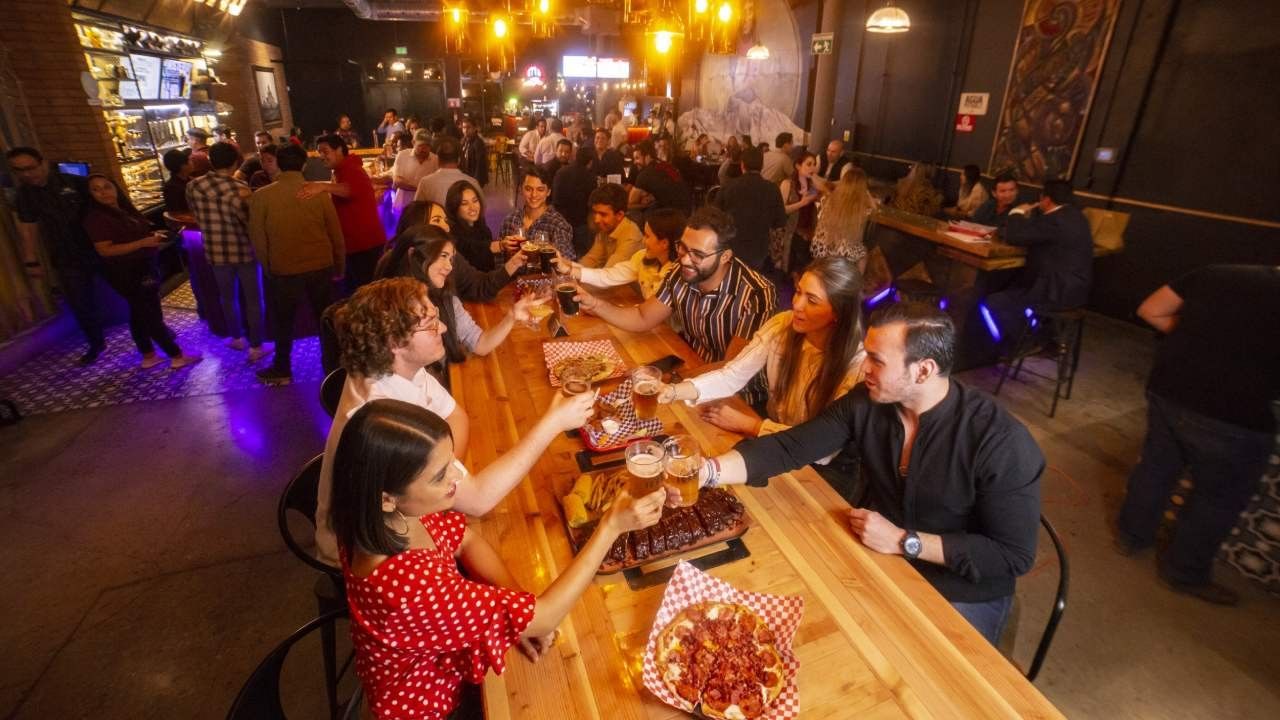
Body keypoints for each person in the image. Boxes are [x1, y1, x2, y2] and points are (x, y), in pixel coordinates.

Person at [694, 302, 1044, 645]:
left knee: (927, 684)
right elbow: (791, 447)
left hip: (961, 586)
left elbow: (1012, 555)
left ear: (922, 370)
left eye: (877, 360)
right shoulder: (869, 401)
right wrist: (704, 472)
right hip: (883, 555)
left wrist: (904, 540)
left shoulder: (1000, 441)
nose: (865, 370)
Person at [330, 398, 664, 719]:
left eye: (450, 465)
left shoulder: (384, 516)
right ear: (387, 498)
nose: (457, 478)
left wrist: (513, 611)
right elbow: (546, 617)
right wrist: (609, 527)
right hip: (433, 707)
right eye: (439, 476)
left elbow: (465, 539)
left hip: (436, 662)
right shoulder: (409, 590)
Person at [315, 275, 600, 563]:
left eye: (436, 316)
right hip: (376, 554)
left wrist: (442, 474)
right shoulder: (385, 412)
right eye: (429, 324)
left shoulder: (397, 367)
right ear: (394, 342)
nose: (443, 327)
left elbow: (457, 416)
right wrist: (552, 423)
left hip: (413, 512)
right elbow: (478, 501)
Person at [1115, 265, 1280, 605]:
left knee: (1155, 470)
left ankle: (1131, 537)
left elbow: (1150, 310)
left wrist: (1199, 339)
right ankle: (1184, 572)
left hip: (1169, 389)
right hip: (1234, 413)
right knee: (1218, 498)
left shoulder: (1218, 273)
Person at [658, 256, 865, 461]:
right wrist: (672, 391)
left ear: (838, 312)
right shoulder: (783, 325)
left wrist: (752, 425)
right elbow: (732, 375)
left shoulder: (857, 365)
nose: (797, 305)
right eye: (798, 292)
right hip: (774, 437)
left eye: (811, 300)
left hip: (826, 468)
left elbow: (822, 449)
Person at [573, 206, 777, 405]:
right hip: (689, 367)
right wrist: (595, 304)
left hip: (738, 396)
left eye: (698, 254)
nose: (686, 259)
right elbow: (643, 317)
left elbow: (731, 369)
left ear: (724, 256)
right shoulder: (681, 271)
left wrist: (671, 381)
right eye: (683, 247)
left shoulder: (756, 294)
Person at [81, 174, 203, 369]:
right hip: (128, 270)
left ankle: (148, 355)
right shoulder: (97, 218)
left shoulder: (120, 210)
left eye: (107, 186)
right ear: (89, 194)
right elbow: (105, 249)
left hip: (140, 266)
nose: (103, 192)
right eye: (96, 189)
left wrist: (151, 237)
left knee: (138, 312)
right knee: (150, 313)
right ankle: (177, 355)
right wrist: (143, 242)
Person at [249, 144, 345, 384]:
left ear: (278, 164)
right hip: (320, 266)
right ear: (303, 164)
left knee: (284, 322)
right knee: (325, 318)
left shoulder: (262, 196)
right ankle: (332, 368)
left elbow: (258, 240)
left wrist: (268, 267)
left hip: (284, 269)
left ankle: (282, 369)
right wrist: (339, 266)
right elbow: (336, 235)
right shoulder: (319, 193)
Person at [8, 146, 105, 363]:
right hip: (65, 255)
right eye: (19, 170)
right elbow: (28, 228)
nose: (26, 174)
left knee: (130, 291)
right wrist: (31, 260)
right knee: (80, 303)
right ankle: (96, 344)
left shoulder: (73, 182)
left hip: (100, 248)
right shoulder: (25, 195)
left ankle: (154, 332)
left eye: (30, 168)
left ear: (42, 162)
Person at [185, 142, 270, 363]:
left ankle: (236, 337)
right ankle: (256, 346)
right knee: (253, 299)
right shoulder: (240, 189)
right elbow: (249, 222)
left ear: (211, 160)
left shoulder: (193, 186)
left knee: (227, 298)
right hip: (244, 251)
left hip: (214, 251)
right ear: (235, 161)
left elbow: (195, 214)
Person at [983, 180, 1093, 341]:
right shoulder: (1077, 216)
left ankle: (1024, 342)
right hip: (1076, 290)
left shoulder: (1054, 220)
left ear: (1046, 199)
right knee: (1013, 288)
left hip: (1055, 292)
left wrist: (1016, 212)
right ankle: (1035, 335)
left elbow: (1015, 237)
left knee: (994, 302)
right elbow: (1032, 230)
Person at [300, 133, 387, 293]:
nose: (321, 156)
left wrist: (322, 187)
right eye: (319, 152)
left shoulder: (351, 168)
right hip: (356, 244)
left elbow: (349, 189)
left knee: (369, 292)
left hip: (364, 244)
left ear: (339, 149)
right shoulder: (340, 171)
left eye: (325, 151)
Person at [392, 201, 523, 302]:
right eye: (437, 220)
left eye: (445, 221)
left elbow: (479, 285)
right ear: (416, 227)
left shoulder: (452, 256)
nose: (446, 227)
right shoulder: (396, 274)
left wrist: (514, 263)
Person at [558, 207, 682, 300]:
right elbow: (609, 275)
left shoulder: (677, 272)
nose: (643, 240)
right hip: (650, 324)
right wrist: (568, 267)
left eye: (647, 236)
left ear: (664, 243)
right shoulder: (641, 257)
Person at [710, 146, 787, 273]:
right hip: (759, 250)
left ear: (742, 165)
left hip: (731, 247)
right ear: (762, 166)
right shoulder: (772, 189)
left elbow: (714, 217)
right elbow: (779, 223)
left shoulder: (728, 186)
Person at [497, 167, 576, 260]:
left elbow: (567, 258)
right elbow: (499, 260)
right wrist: (502, 247)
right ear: (521, 189)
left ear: (548, 192)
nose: (534, 195)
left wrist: (550, 252)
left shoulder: (558, 224)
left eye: (540, 189)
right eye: (528, 189)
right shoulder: (510, 220)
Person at [811, 167, 877, 271]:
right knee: (863, 254)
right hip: (841, 255)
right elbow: (875, 208)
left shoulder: (827, 199)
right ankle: (854, 284)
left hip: (819, 249)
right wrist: (867, 192)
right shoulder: (862, 210)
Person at [575, 183, 644, 269]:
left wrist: (574, 272)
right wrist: (570, 270)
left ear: (619, 215)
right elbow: (592, 259)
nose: (596, 220)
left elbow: (609, 275)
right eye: (595, 212)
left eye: (603, 214)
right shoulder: (606, 229)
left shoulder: (631, 239)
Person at [776, 151, 821, 274]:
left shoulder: (812, 185)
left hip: (808, 229)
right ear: (798, 166)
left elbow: (827, 191)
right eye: (809, 164)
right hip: (791, 230)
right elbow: (781, 210)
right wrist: (802, 203)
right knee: (801, 249)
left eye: (814, 164)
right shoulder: (788, 184)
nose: (812, 167)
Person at [412, 136, 481, 209]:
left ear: (438, 160)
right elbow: (481, 208)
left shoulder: (425, 183)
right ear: (459, 160)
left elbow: (417, 209)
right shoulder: (472, 182)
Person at [628, 139, 692, 214]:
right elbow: (667, 187)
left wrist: (645, 205)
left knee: (637, 214)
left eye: (637, 158)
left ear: (647, 156)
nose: (635, 162)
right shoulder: (665, 165)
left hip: (673, 214)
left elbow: (630, 204)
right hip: (687, 208)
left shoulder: (644, 175)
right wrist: (652, 197)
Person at [444, 181, 496, 271]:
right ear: (454, 207)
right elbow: (471, 248)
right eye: (464, 204)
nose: (472, 207)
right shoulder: (452, 235)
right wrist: (500, 246)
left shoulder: (484, 229)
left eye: (475, 201)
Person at [389, 129, 438, 214]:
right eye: (420, 145)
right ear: (413, 142)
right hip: (403, 206)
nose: (424, 149)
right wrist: (421, 188)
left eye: (427, 146)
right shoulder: (402, 155)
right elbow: (397, 181)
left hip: (425, 208)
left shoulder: (435, 159)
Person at [552, 146, 597, 234]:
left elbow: (555, 196)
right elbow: (591, 200)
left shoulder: (561, 171)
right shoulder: (590, 177)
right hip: (580, 220)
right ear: (590, 162)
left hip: (560, 217)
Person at [457, 115, 489, 187]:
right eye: (464, 127)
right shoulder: (463, 140)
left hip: (474, 178)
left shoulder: (478, 143)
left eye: (468, 127)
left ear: (475, 128)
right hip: (465, 177)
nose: (465, 130)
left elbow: (480, 164)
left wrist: (475, 182)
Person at [161, 148, 193, 214]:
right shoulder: (172, 188)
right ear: (183, 166)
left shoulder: (188, 180)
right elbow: (178, 214)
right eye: (190, 160)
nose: (192, 162)